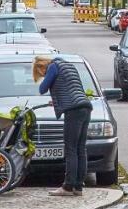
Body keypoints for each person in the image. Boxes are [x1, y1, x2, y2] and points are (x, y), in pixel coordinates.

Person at [33, 55, 91, 196]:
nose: (43, 75)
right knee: (80, 148)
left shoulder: (53, 66)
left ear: (42, 66)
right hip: (85, 107)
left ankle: (68, 186)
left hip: (73, 110)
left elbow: (42, 88)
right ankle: (78, 187)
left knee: (70, 148)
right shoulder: (68, 66)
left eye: (41, 73)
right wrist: (58, 100)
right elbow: (70, 88)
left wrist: (46, 79)